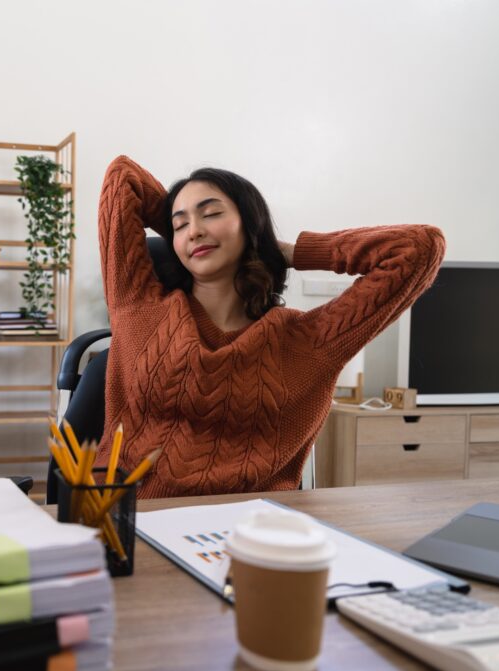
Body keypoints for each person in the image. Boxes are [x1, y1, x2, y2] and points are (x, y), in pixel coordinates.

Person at [94, 155, 445, 498]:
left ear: (251, 226)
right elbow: (123, 177)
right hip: (128, 519)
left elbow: (420, 247)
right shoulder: (138, 306)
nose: (195, 230)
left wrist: (287, 251)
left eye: (212, 213)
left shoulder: (307, 341)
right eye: (179, 224)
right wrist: (190, 226)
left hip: (252, 530)